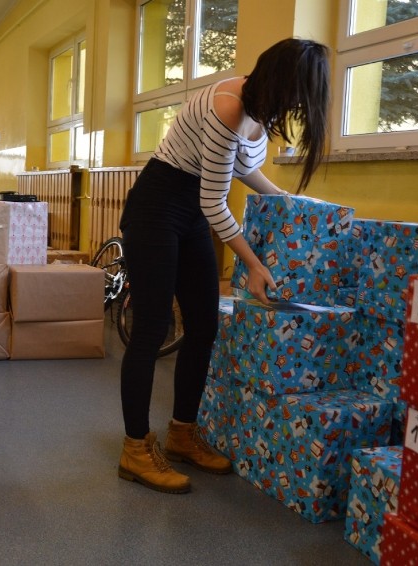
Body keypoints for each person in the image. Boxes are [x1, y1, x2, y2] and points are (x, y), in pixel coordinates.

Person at [116, 38, 330, 494]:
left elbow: (241, 173)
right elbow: (215, 202)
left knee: (203, 326)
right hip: (156, 207)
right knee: (152, 327)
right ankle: (135, 449)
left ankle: (181, 433)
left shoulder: (258, 110)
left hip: (191, 211)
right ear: (281, 80)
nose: (298, 105)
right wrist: (251, 265)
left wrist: (294, 203)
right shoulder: (228, 106)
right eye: (299, 93)